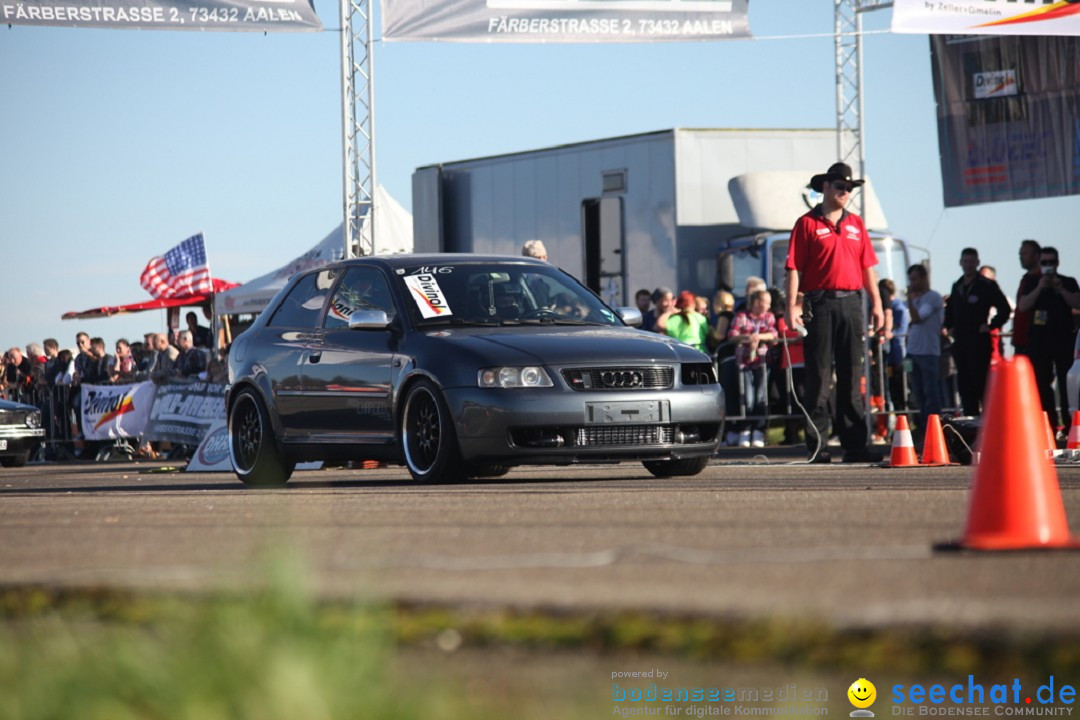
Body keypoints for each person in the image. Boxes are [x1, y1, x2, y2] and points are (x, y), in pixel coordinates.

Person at [785, 162, 885, 464]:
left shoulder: (856, 223)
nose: (845, 192)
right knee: (818, 375)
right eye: (840, 186)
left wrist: (877, 303)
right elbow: (794, 268)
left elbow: (868, 267)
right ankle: (818, 447)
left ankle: (855, 445)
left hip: (853, 303)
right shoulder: (807, 223)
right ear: (825, 187)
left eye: (849, 187)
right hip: (820, 303)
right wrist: (792, 306)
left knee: (853, 376)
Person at [1016, 245, 1080, 437]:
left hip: (1063, 340)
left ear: (1058, 263)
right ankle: (1048, 427)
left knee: (1065, 384)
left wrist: (1059, 288)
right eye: (1044, 263)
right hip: (1039, 341)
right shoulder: (1032, 281)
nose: (1048, 267)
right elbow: (1023, 305)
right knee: (1042, 385)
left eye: (1051, 262)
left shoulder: (1067, 282)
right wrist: (1040, 286)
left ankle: (1071, 427)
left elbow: (1077, 302)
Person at [943, 248, 1011, 416]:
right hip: (961, 342)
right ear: (960, 263)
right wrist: (948, 326)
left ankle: (988, 422)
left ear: (977, 263)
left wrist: (991, 325)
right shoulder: (957, 285)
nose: (968, 265)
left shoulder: (986, 285)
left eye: (971, 261)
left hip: (979, 342)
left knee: (981, 383)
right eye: (965, 261)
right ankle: (970, 423)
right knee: (965, 386)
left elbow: (1005, 308)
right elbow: (950, 309)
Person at [728, 289, 777, 448]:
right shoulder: (741, 317)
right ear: (757, 302)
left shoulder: (769, 317)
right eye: (766, 302)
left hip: (762, 362)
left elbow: (773, 335)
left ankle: (758, 431)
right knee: (747, 399)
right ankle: (745, 430)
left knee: (761, 398)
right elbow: (732, 336)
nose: (769, 306)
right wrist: (747, 338)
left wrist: (759, 337)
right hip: (744, 363)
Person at [905, 264, 944, 448]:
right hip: (913, 352)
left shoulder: (933, 298)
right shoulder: (915, 299)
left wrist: (909, 300)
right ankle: (922, 431)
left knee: (931, 394)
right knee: (918, 394)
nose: (912, 283)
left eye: (915, 279)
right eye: (910, 279)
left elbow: (918, 318)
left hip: (928, 352)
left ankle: (935, 432)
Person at [1012, 239, 1041, 358]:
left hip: (1034, 341)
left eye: (1025, 253)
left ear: (1036, 256)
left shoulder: (1040, 279)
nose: (1021, 257)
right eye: (1020, 254)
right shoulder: (1026, 279)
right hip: (1020, 340)